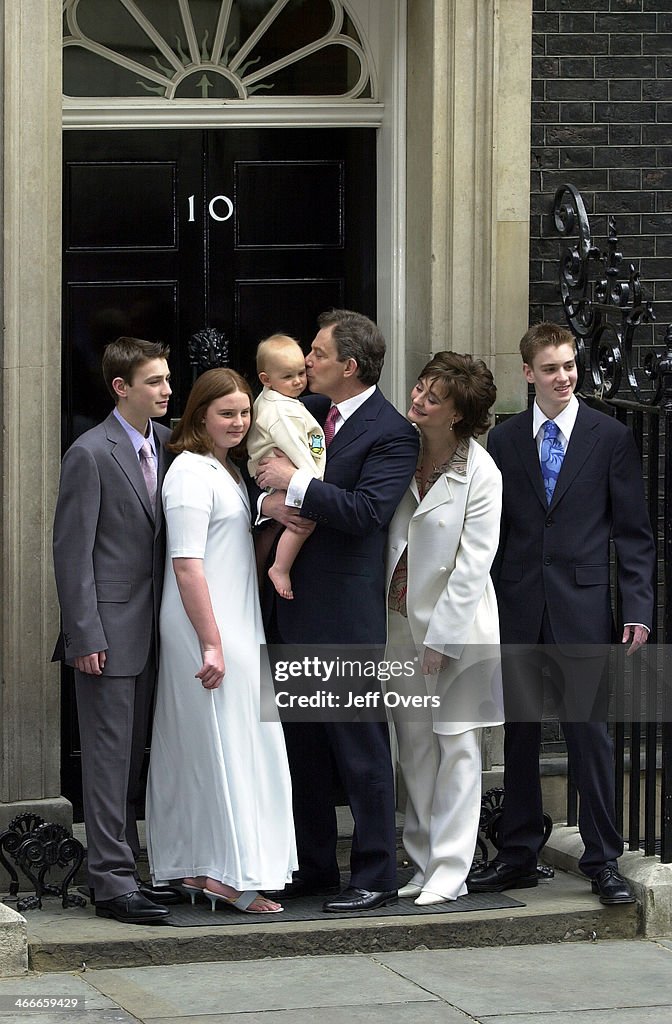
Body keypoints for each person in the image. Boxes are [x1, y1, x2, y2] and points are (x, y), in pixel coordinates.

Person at [468, 321, 656, 905]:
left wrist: (639, 607)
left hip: (582, 607)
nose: (564, 377)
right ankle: (519, 852)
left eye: (569, 366)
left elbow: (634, 533)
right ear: (528, 374)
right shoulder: (503, 442)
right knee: (520, 733)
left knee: (589, 735)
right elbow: (490, 531)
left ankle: (604, 860)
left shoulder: (609, 436)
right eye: (551, 368)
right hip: (518, 605)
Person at [255, 308, 419, 913]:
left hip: (346, 616)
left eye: (318, 354)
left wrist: (293, 484)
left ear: (350, 366)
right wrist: (271, 503)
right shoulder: (306, 415)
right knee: (304, 747)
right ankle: (315, 865)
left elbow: (367, 513)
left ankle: (375, 873)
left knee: (360, 746)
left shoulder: (392, 432)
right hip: (293, 608)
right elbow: (270, 485)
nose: (307, 363)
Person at [145, 368, 297, 915]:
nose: (239, 422)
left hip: (235, 617)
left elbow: (233, 555)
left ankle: (200, 867)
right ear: (200, 416)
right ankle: (226, 876)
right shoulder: (188, 471)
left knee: (224, 746)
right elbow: (187, 565)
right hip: (206, 626)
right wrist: (211, 643)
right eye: (226, 413)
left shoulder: (227, 472)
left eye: (244, 413)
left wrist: (275, 519)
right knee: (222, 746)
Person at [52, 336, 178, 924]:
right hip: (106, 635)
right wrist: (85, 636)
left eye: (167, 379)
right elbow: (71, 553)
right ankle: (109, 881)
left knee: (132, 760)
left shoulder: (170, 446)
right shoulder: (90, 452)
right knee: (106, 760)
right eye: (154, 381)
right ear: (121, 388)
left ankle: (128, 867)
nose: (167, 390)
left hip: (156, 632)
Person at [385, 352, 504, 905]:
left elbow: (473, 563)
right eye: (420, 389)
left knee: (457, 745)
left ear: (456, 415)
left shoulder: (482, 473)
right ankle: (423, 858)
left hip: (457, 629)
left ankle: (452, 869)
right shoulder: (399, 451)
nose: (418, 400)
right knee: (412, 746)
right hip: (397, 620)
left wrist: (443, 640)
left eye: (433, 397)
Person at [247, 334, 325, 599]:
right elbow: (295, 447)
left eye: (301, 373)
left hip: (279, 478)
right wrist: (314, 483)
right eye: (288, 376)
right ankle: (280, 568)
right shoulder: (282, 412)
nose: (298, 381)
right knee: (303, 521)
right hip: (289, 476)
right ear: (265, 379)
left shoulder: (275, 399)